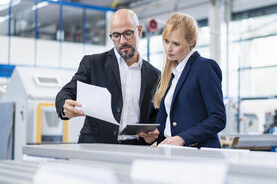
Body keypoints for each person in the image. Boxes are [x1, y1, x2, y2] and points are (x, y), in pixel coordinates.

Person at [55, 9, 160, 145]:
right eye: (116, 35)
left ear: (139, 31)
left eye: (128, 33)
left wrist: (154, 135)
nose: (122, 41)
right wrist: (64, 105)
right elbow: (66, 92)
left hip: (135, 147)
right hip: (96, 147)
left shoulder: (154, 75)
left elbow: (156, 118)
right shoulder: (93, 64)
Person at [141, 13, 226, 148]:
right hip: (170, 152)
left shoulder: (204, 67)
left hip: (198, 154)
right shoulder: (172, 74)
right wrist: (155, 134)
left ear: (191, 42)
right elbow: (172, 121)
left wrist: (183, 138)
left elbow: (218, 119)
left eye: (176, 43)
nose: (168, 48)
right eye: (166, 41)